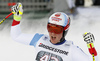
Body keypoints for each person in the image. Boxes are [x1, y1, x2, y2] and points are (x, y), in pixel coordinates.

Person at [11, 3, 98, 61]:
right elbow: (16, 36)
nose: (52, 33)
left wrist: (91, 46)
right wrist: (17, 18)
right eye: (50, 28)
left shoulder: (71, 49)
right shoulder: (39, 39)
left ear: (65, 31)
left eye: (57, 30)